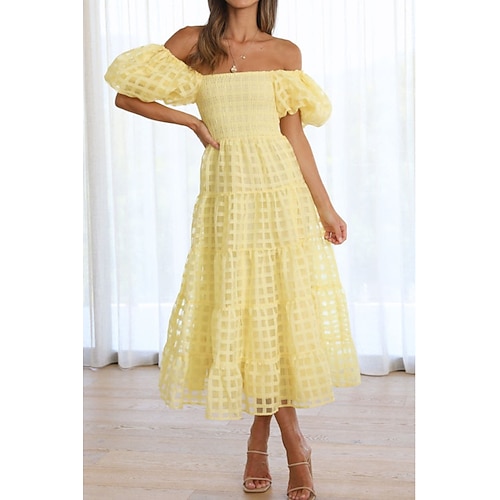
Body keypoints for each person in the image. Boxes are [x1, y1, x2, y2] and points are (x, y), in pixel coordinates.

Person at [105, 1, 360, 498]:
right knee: (246, 316)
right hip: (227, 197)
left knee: (274, 316)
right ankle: (292, 440)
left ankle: (266, 440)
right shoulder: (192, 42)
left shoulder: (284, 52)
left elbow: (293, 136)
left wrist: (325, 209)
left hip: (280, 194)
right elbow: (125, 96)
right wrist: (192, 123)